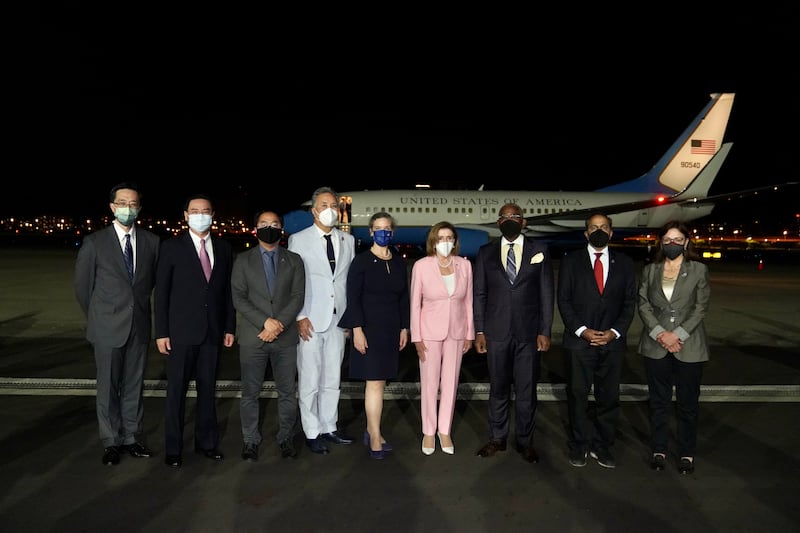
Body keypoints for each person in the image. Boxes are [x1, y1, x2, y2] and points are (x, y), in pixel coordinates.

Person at [74, 182, 160, 466]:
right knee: (108, 387)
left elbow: (151, 285)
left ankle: (132, 437)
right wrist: (100, 318)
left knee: (134, 385)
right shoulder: (94, 242)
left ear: (139, 208)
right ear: (112, 207)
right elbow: (83, 289)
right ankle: (110, 441)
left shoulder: (151, 242)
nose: (128, 208)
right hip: (107, 327)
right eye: (122, 203)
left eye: (133, 204)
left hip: (138, 327)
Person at [154, 193, 236, 468]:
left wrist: (228, 326)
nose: (201, 215)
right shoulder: (171, 247)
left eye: (207, 211)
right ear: (186, 215)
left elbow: (226, 293)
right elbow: (161, 293)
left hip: (212, 333)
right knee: (176, 393)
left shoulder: (224, 249)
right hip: (180, 333)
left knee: (207, 391)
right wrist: (161, 331)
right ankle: (174, 448)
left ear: (213, 215)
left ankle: (207, 442)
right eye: (195, 211)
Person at [473, 202, 554, 464]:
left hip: (528, 334)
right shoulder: (485, 253)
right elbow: (480, 294)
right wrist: (480, 330)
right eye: (504, 217)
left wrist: (544, 330)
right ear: (498, 222)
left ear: (524, 222)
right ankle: (497, 438)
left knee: (526, 390)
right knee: (498, 388)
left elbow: (545, 294)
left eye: (515, 216)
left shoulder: (539, 250)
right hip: (495, 333)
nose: (509, 220)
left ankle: (525, 441)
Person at [557, 212, 637, 469]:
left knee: (609, 397)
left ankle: (603, 446)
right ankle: (579, 445)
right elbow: (564, 301)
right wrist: (582, 330)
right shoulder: (570, 262)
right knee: (578, 397)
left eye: (604, 227)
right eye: (594, 227)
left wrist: (615, 332)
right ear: (586, 233)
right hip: (580, 343)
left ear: (611, 232)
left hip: (612, 343)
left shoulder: (625, 263)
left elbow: (629, 303)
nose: (599, 231)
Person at [231, 210, 305, 461]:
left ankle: (286, 438)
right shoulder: (243, 260)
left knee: (287, 391)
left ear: (281, 229)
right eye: (263, 223)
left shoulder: (294, 260)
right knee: (250, 392)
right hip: (254, 337)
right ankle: (250, 440)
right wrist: (265, 322)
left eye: (274, 223)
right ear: (255, 229)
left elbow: (297, 296)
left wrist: (278, 324)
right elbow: (238, 297)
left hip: (284, 338)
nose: (269, 227)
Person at [287, 186, 356, 455]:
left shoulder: (347, 241)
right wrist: (300, 316)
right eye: (325, 205)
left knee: (332, 377)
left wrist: (350, 318)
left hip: (338, 320)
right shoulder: (299, 240)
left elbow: (345, 282)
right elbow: (295, 282)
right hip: (311, 320)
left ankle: (330, 425)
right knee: (310, 378)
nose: (331, 210)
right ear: (314, 210)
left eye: (335, 205)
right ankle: (311, 430)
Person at [637, 220, 710, 475]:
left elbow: (701, 306)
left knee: (688, 404)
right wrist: (660, 334)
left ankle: (686, 453)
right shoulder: (650, 270)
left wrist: (677, 334)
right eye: (667, 239)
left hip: (688, 344)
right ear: (661, 242)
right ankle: (659, 448)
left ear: (686, 242)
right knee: (658, 401)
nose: (672, 243)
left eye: (677, 239)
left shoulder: (699, 270)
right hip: (656, 344)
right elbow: (643, 303)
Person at [337, 211, 410, 459]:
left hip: (391, 330)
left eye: (387, 228)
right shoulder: (361, 261)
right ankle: (375, 437)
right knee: (375, 382)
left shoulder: (399, 261)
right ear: (370, 232)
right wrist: (356, 330)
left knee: (381, 381)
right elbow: (353, 298)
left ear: (392, 231)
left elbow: (403, 298)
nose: (383, 232)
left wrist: (404, 327)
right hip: (368, 329)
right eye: (378, 228)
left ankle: (372, 430)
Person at [410, 221, 474, 456]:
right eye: (441, 238)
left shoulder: (465, 266)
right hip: (429, 333)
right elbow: (415, 304)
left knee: (450, 383)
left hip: (456, 333)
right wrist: (416, 337)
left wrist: (469, 333)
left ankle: (444, 429)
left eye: (449, 238)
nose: (445, 242)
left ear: (455, 241)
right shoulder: (421, 266)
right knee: (429, 383)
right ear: (433, 242)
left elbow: (468, 302)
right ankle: (429, 430)